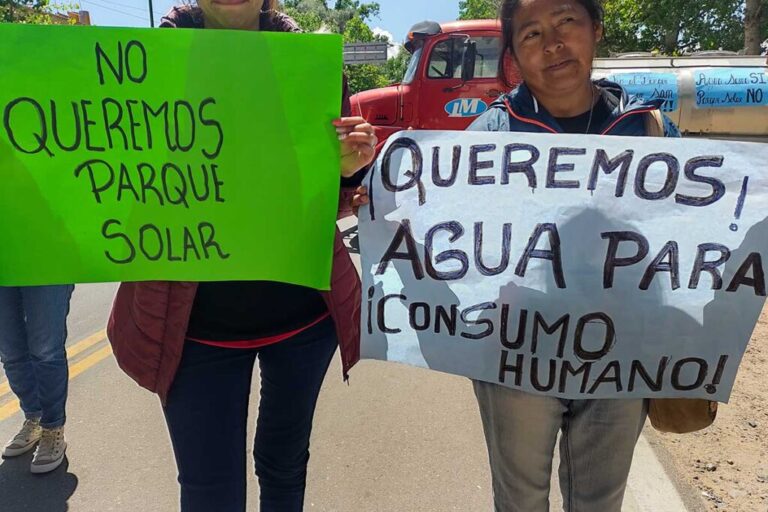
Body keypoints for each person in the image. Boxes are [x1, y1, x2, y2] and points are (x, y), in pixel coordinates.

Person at [353, 0, 680, 510]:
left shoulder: (651, 131)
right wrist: (378, 193)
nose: (552, 43)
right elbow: (437, 225)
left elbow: (696, 235)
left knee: (601, 500)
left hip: (621, 354)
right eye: (531, 34)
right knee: (520, 500)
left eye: (566, 22)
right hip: (516, 355)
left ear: (595, 29)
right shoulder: (490, 136)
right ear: (514, 57)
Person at [106, 2, 376, 511]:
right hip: (193, 329)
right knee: (210, 491)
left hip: (302, 319)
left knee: (284, 465)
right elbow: (116, 186)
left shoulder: (310, 62)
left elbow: (331, 192)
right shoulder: (148, 63)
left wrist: (351, 170)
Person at [0, 285, 74, 474]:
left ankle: (53, 427)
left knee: (46, 350)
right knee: (10, 352)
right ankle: (34, 418)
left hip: (46, 266)